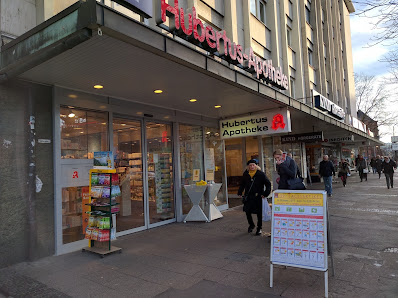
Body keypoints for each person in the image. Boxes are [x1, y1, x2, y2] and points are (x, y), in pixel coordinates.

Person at [238, 159, 271, 235]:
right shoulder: (246, 174)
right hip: (248, 196)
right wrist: (240, 192)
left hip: (258, 196)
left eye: (253, 165)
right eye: (250, 165)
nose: (252, 167)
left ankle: (259, 228)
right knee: (247, 211)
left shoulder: (261, 174)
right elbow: (242, 184)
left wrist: (265, 193)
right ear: (248, 166)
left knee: (259, 213)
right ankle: (251, 225)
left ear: (256, 166)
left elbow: (268, 184)